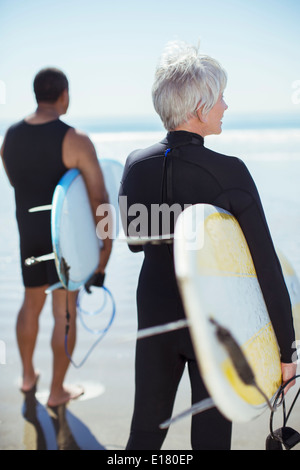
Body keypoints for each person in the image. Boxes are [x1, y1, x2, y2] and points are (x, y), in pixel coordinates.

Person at [119, 41, 297, 450]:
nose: (226, 107)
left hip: (156, 313)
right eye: (220, 99)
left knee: (145, 432)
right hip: (217, 320)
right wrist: (286, 351)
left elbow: (132, 242)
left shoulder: (134, 164)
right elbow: (264, 265)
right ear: (201, 109)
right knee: (212, 439)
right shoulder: (229, 172)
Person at [0, 68, 112, 407]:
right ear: (63, 94)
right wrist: (105, 245)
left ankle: (27, 376)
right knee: (64, 310)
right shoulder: (74, 139)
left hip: (29, 234)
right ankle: (57, 391)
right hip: (64, 240)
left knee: (30, 303)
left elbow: (15, 181)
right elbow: (98, 198)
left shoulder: (10, 136)